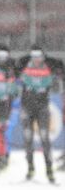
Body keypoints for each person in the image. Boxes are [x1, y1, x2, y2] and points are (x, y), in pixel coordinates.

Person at [15, 45, 63, 182]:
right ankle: (30, 168)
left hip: (42, 108)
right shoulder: (25, 66)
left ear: (43, 57)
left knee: (44, 137)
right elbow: (15, 71)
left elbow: (58, 72)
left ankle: (49, 170)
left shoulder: (48, 67)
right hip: (27, 107)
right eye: (34, 57)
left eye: (39, 57)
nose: (36, 60)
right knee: (28, 137)